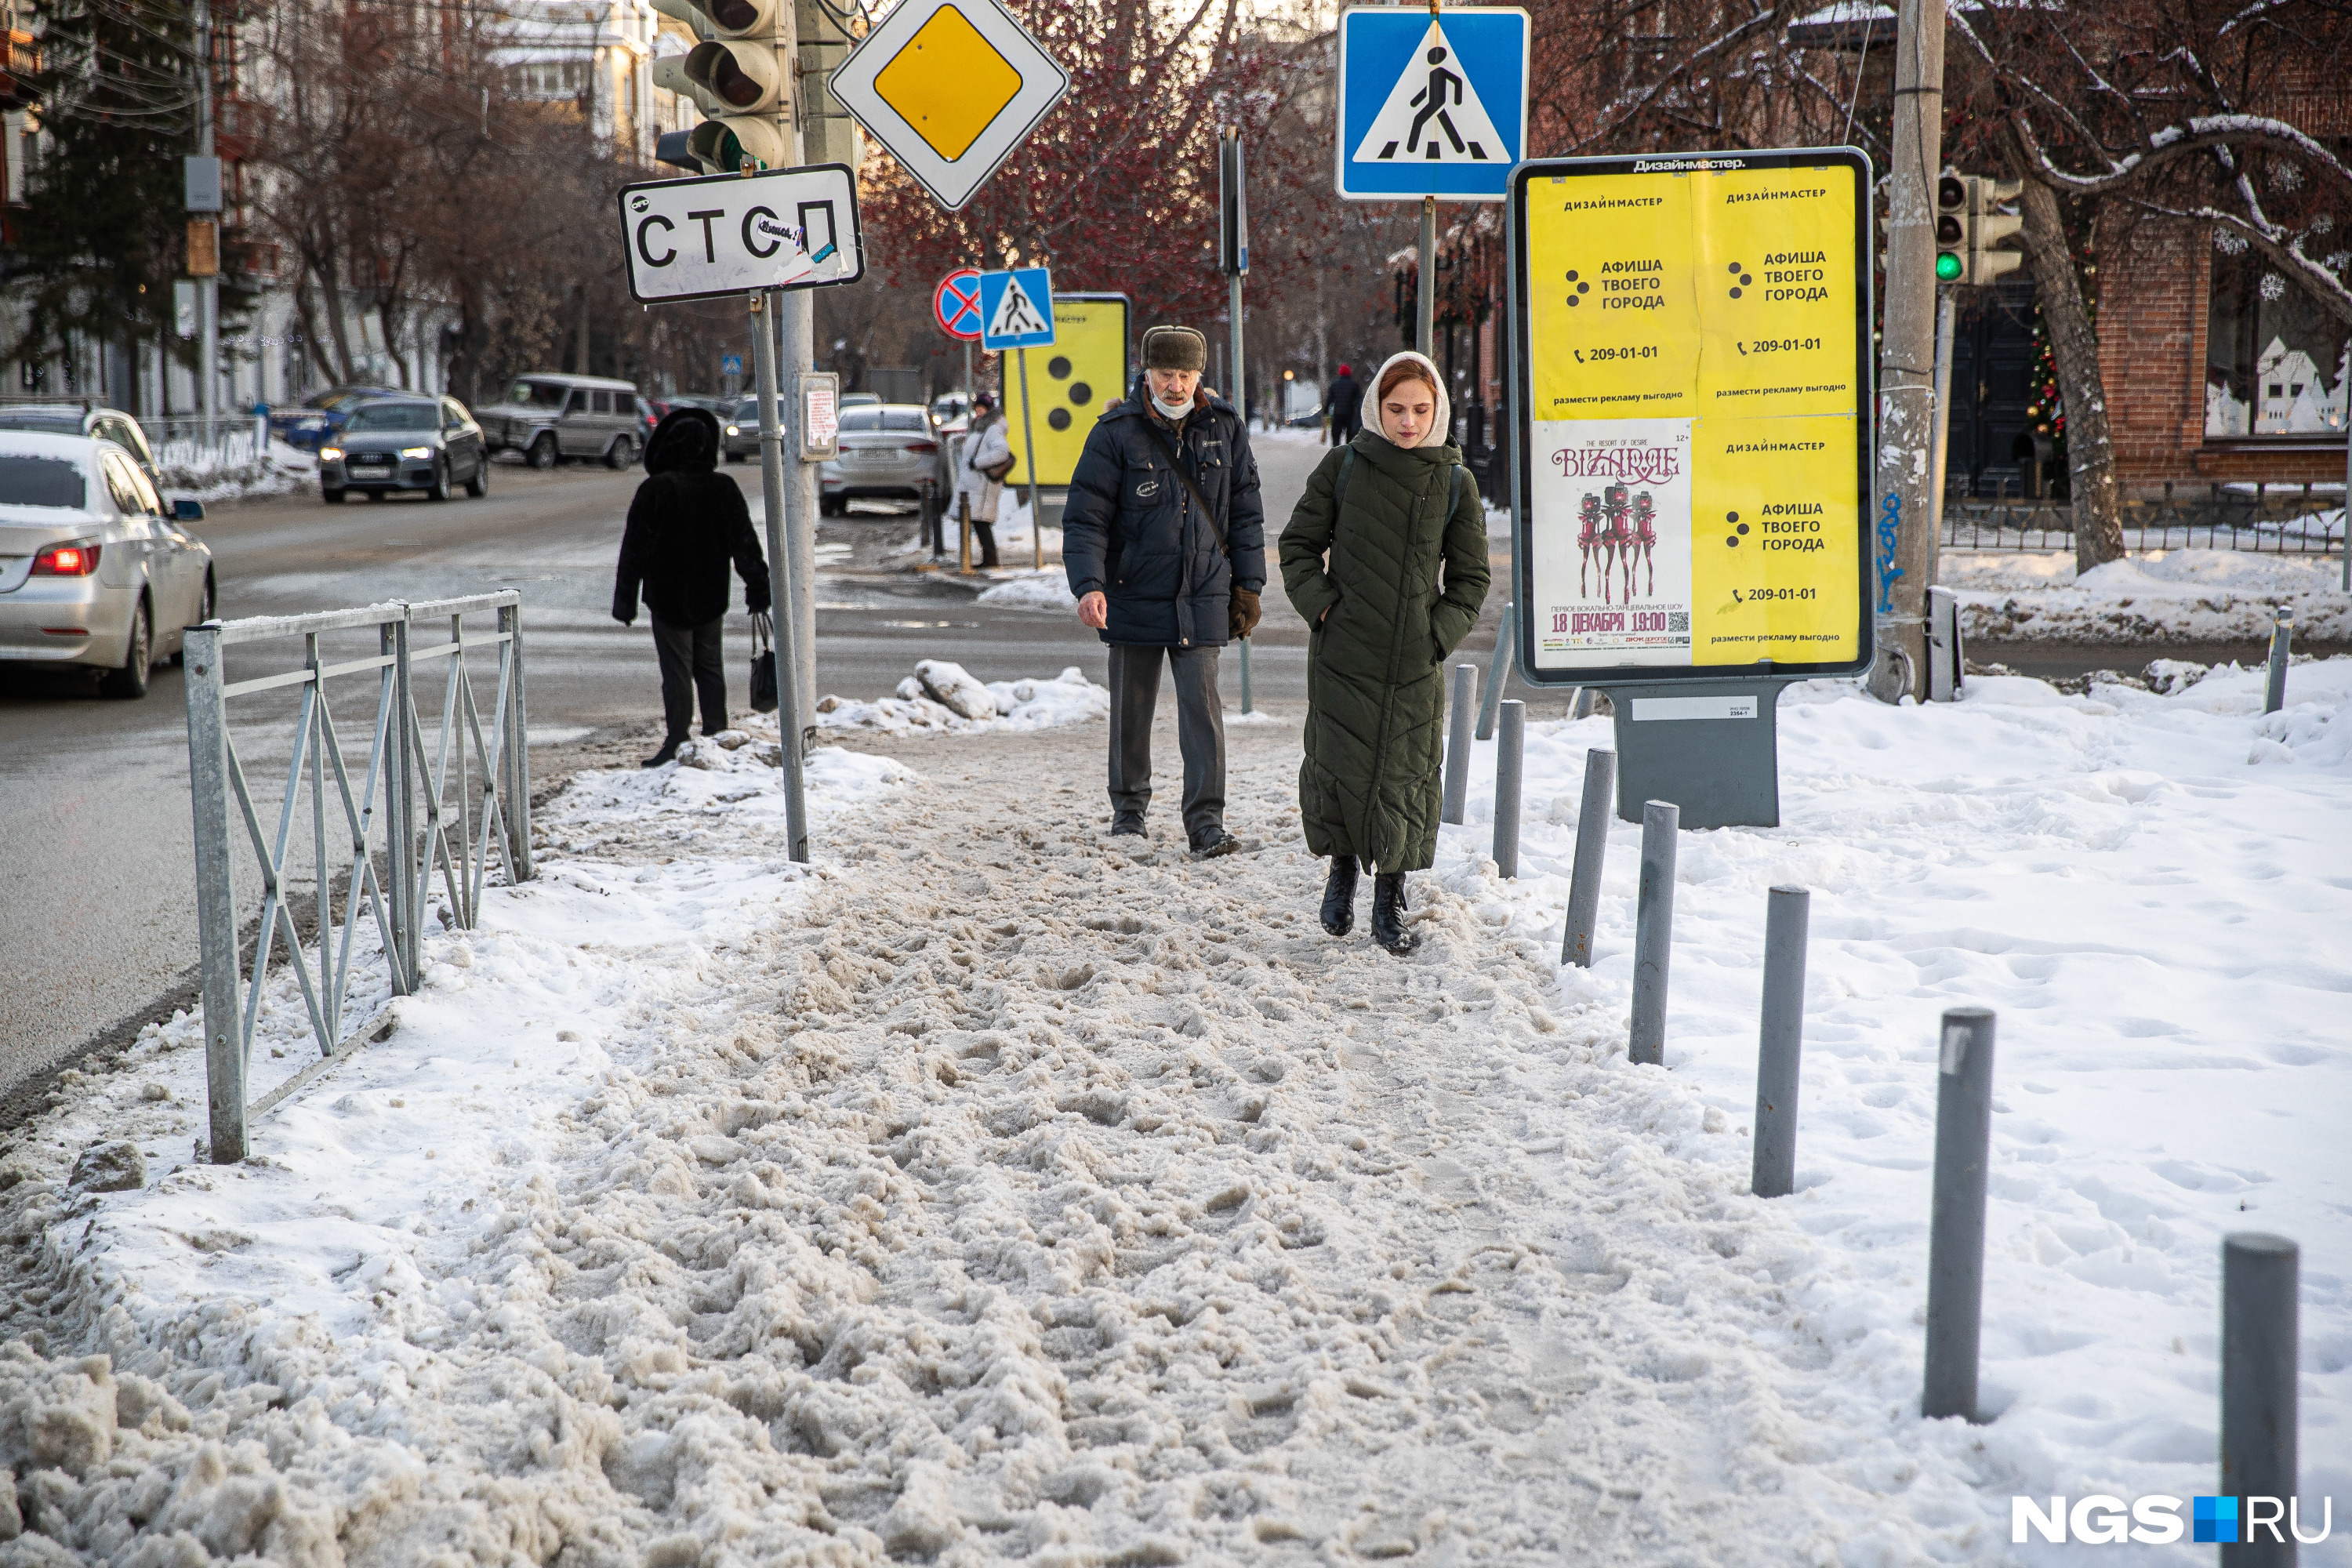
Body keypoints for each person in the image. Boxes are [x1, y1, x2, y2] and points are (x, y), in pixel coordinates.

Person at [1279, 350, 1490, 955]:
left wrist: (1438, 634)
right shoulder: (1343, 466)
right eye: (1396, 409)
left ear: (1437, 410)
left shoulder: (1453, 481)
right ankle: (1342, 871)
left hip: (1413, 663)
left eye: (1420, 410)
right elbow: (1297, 546)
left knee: (1403, 774)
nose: (1408, 422)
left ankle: (1389, 895)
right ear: (1376, 406)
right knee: (1340, 764)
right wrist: (1323, 608)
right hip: (1344, 654)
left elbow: (1472, 578)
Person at [1062, 325, 1266, 858]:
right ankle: (1129, 813)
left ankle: (1206, 823)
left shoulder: (1225, 428)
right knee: (1132, 710)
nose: (1175, 385)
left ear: (1200, 376)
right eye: (1165, 374)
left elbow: (1245, 514)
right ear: (1146, 373)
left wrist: (1248, 587)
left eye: (1185, 375)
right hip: (1131, 592)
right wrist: (1089, 585)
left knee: (1203, 712)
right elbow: (1085, 519)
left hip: (1201, 594)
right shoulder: (1115, 432)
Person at [612, 405, 770, 768]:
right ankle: (716, 732)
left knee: (677, 670)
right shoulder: (722, 488)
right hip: (711, 595)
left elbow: (634, 550)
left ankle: (677, 738)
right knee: (709, 665)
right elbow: (744, 543)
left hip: (667, 598)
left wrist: (626, 602)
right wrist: (758, 588)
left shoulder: (654, 490)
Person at [953, 391, 1013, 568]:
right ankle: (988, 558)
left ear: (988, 410)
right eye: (977, 408)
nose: (978, 412)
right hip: (976, 484)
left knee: (982, 521)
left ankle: (990, 559)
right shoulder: (980, 427)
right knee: (978, 520)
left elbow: (1002, 451)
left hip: (983, 484)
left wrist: (977, 463)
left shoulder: (992, 429)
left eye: (982, 408)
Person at [1322, 362, 1363, 446]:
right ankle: (1348, 453)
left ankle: (1336, 452)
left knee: (1336, 435)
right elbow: (1359, 400)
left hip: (1338, 413)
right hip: (1350, 414)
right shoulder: (1354, 385)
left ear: (1340, 373)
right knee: (1350, 435)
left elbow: (1330, 399)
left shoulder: (1335, 385)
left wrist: (1325, 411)